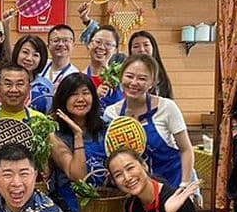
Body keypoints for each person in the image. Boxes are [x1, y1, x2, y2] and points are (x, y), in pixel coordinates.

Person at [49, 73, 125, 212]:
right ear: (63, 99)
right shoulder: (55, 134)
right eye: (74, 94)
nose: (81, 99)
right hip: (73, 197)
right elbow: (77, 175)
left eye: (85, 93)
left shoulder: (105, 128)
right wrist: (77, 135)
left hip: (106, 196)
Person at [103, 54, 195, 190]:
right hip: (134, 187)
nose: (134, 83)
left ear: (152, 83)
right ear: (121, 77)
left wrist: (185, 184)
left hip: (172, 182)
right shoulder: (111, 113)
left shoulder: (166, 108)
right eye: (129, 76)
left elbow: (186, 149)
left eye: (142, 79)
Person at [0, 35, 54, 114]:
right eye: (25, 52)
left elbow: (50, 114)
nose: (29, 58)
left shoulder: (46, 85)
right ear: (17, 53)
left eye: (35, 55)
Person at [0, 63, 45, 128]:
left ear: (29, 89)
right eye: (8, 84)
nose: (13, 90)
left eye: (20, 84)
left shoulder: (40, 120)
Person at [84, 25, 123, 108]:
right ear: (89, 44)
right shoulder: (80, 77)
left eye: (108, 44)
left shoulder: (121, 79)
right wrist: (95, 97)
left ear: (115, 50)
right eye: (98, 42)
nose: (101, 47)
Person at [128, 31, 174, 99]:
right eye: (136, 46)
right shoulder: (126, 73)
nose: (142, 49)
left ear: (153, 48)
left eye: (146, 45)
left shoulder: (160, 73)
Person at [41, 24, 80, 91]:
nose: (61, 44)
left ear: (73, 45)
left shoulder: (75, 76)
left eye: (66, 40)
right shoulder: (40, 66)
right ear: (48, 45)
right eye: (56, 40)